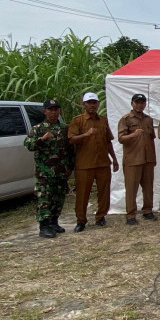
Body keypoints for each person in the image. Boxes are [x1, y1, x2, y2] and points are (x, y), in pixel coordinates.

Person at [68, 92, 119, 232]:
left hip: (102, 162)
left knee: (104, 191)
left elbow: (108, 141)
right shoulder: (77, 120)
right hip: (85, 164)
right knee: (83, 193)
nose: (92, 105)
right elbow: (71, 140)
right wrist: (86, 134)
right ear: (84, 104)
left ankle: (101, 216)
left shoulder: (103, 120)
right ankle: (81, 220)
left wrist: (114, 159)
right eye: (89, 102)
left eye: (94, 102)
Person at [23, 99, 75, 238]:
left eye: (56, 109)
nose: (54, 112)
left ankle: (54, 221)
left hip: (61, 171)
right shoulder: (38, 128)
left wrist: (70, 166)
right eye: (51, 109)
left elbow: (69, 149)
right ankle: (44, 226)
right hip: (45, 171)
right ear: (45, 111)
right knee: (45, 198)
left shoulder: (64, 128)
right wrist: (41, 139)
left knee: (59, 197)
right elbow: (28, 145)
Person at [117, 93, 157, 225]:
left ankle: (147, 211)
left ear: (145, 104)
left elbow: (151, 139)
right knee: (131, 188)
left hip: (147, 159)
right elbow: (121, 139)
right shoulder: (126, 119)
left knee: (148, 187)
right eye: (137, 102)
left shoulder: (148, 119)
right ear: (132, 104)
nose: (140, 105)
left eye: (142, 102)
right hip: (133, 159)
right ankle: (131, 214)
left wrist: (153, 158)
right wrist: (133, 135)